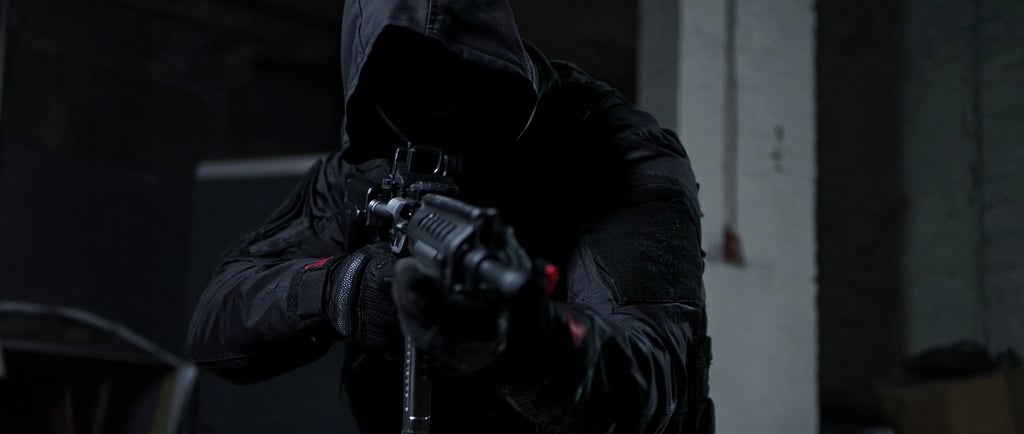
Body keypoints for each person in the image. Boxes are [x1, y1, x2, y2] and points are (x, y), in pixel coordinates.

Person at [186, 0, 713, 433]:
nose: (435, 114)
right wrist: (340, 290)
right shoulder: (369, 161)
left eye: (454, 84)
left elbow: (649, 377)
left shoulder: (614, 151)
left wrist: (522, 340)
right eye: (405, 88)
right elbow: (219, 319)